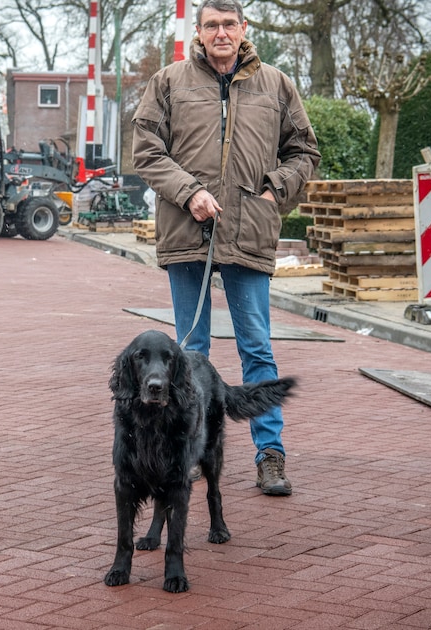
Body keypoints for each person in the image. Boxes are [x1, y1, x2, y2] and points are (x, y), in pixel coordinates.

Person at [131, 0, 320, 496]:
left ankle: (270, 456)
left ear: (243, 29)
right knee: (189, 351)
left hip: (250, 232)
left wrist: (274, 189)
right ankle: (190, 453)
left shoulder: (276, 85)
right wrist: (188, 191)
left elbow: (305, 152)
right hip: (185, 231)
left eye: (228, 24)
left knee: (257, 350)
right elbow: (146, 150)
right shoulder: (168, 82)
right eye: (211, 25)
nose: (220, 33)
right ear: (199, 31)